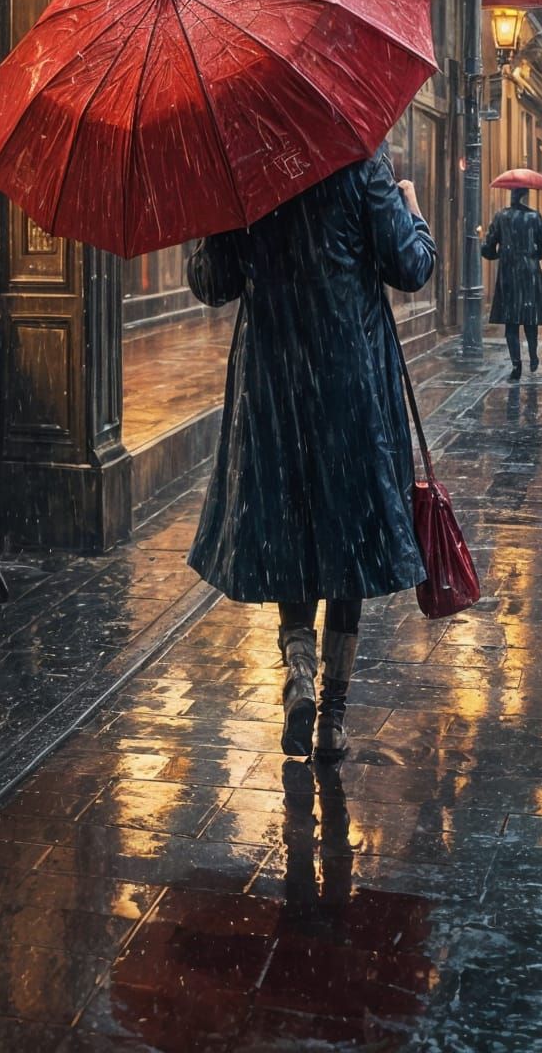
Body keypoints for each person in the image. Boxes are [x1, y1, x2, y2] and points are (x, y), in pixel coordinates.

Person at [186, 145, 434, 760]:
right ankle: (334, 717)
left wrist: (212, 223)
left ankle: (298, 667)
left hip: (273, 384)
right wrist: (414, 210)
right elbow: (410, 267)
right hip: (347, 376)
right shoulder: (360, 163)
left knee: (288, 518)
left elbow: (211, 284)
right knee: (347, 531)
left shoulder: (245, 168)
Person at [481, 185, 542, 380]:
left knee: (511, 322)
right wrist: (532, 255)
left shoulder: (501, 217)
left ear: (512, 195)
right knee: (530, 317)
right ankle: (534, 355)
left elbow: (488, 248)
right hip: (530, 271)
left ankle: (516, 364)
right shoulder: (535, 217)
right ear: (525, 196)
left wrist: (495, 253)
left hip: (509, 272)